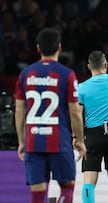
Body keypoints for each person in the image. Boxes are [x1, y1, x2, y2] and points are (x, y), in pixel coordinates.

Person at [14, 27, 86, 203]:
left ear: (38, 48)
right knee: (67, 187)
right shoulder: (67, 74)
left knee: (37, 194)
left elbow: (19, 110)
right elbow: (75, 112)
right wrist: (79, 139)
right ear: (60, 47)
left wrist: (22, 141)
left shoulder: (25, 74)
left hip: (33, 141)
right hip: (59, 141)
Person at [78, 31, 108, 203]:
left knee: (89, 181)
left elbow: (77, 114)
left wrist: (76, 136)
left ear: (89, 67)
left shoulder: (81, 88)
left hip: (92, 135)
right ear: (106, 65)